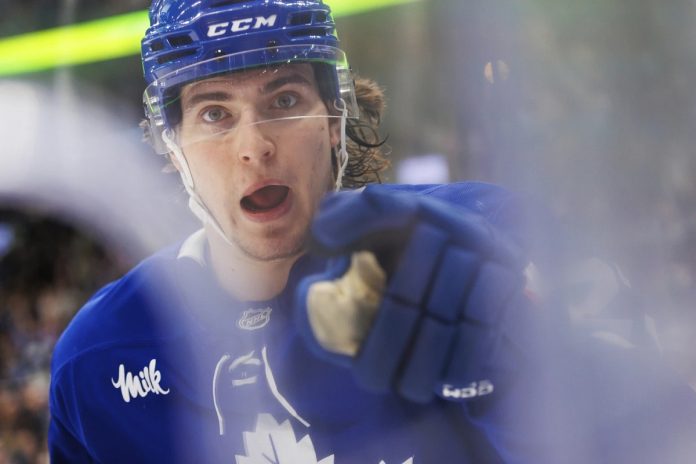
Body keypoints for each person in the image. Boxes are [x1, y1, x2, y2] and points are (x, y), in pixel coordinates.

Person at [48, 1, 696, 463]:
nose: (255, 147)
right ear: (172, 148)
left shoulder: (493, 231)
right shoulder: (98, 358)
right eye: (214, 113)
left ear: (335, 118)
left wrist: (533, 352)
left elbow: (665, 430)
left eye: (284, 101)